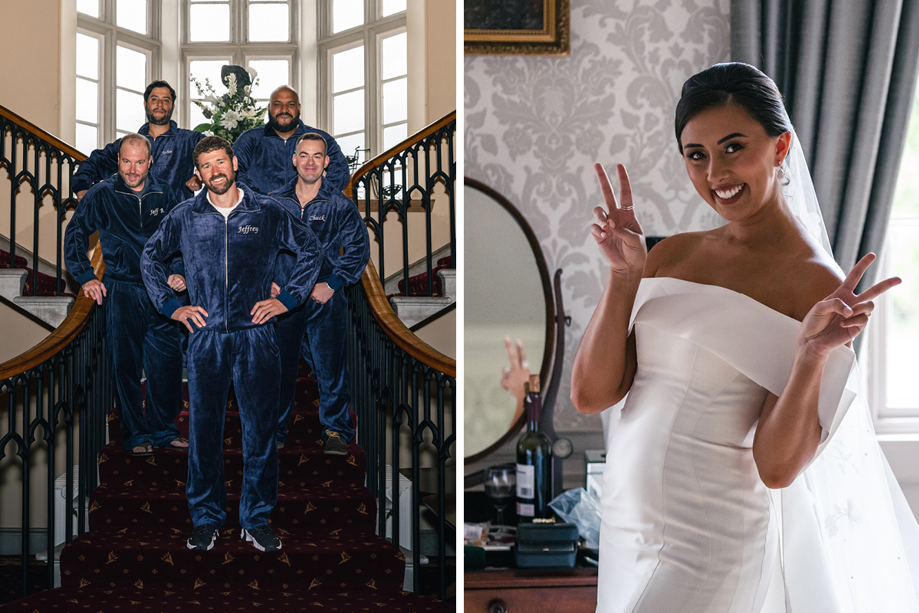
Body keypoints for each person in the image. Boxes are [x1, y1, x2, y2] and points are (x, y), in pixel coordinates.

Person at [571, 62, 919, 612]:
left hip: (710, 544)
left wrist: (809, 357)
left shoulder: (818, 285)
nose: (716, 173)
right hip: (624, 529)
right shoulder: (670, 254)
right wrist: (623, 278)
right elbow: (591, 394)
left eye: (734, 147)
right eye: (697, 154)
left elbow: (778, 468)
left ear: (780, 148)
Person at [140, 136, 325, 553]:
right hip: (205, 340)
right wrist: (172, 306)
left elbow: (310, 250)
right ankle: (206, 518)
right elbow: (150, 257)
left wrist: (288, 299)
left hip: (256, 336)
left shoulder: (269, 211)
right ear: (198, 173)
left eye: (220, 162)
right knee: (204, 433)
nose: (214, 172)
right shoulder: (185, 215)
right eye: (205, 166)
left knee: (260, 432)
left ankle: (255, 518)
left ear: (235, 163)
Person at [64, 133, 187, 456]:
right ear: (118, 160)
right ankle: (136, 434)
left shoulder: (168, 193)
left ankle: (164, 429)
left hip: (161, 292)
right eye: (126, 161)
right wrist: (86, 276)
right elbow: (76, 232)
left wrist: (180, 271)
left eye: (139, 162)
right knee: (127, 366)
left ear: (150, 162)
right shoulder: (102, 194)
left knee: (168, 364)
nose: (132, 170)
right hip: (122, 288)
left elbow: (184, 239)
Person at [268, 133, 369, 454]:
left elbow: (358, 249)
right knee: (279, 369)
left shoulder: (340, 205)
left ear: (326, 162)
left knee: (330, 367)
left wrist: (333, 283)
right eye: (304, 155)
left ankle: (336, 430)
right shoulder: (273, 202)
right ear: (294, 159)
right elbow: (259, 247)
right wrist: (265, 281)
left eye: (317, 156)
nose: (310, 162)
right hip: (282, 300)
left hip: (322, 298)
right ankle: (275, 430)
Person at [72, 80, 205, 201]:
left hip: (175, 221)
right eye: (154, 99)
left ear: (173, 106)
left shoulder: (189, 140)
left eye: (166, 100)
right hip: (133, 221)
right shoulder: (128, 144)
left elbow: (218, 153)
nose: (160, 104)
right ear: (145, 104)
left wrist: (200, 176)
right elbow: (96, 161)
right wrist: (82, 187)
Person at [233, 85, 350, 195]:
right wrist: (259, 196)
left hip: (306, 213)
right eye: (277, 104)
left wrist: (317, 196)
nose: (284, 110)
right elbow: (233, 171)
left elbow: (340, 171)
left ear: (298, 108)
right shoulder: (250, 139)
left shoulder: (320, 139)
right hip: (260, 211)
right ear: (269, 108)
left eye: (291, 104)